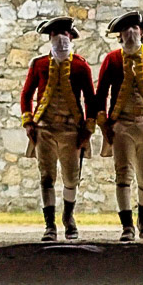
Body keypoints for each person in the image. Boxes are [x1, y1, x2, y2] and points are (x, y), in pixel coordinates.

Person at [95, 11, 143, 242]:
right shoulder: (112, 59)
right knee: (123, 175)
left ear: (142, 32)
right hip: (121, 125)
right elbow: (101, 94)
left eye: (135, 28)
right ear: (119, 35)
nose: (131, 32)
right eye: (126, 29)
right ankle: (127, 225)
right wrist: (103, 124)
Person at [19, 16, 96, 242]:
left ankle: (68, 218)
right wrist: (28, 121)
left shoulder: (81, 66)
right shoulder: (39, 64)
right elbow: (27, 95)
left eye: (65, 34)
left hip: (72, 131)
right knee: (47, 177)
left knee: (71, 178)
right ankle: (49, 225)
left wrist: (88, 128)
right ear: (50, 38)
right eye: (56, 35)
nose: (61, 38)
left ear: (71, 38)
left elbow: (91, 99)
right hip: (45, 129)